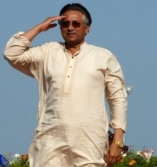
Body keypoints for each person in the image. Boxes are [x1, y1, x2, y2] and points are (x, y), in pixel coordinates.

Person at [4, 3, 128, 167]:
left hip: (90, 139)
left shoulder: (103, 56)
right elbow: (12, 53)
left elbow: (117, 98)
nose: (70, 28)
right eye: (65, 23)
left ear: (87, 28)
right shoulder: (47, 52)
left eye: (76, 24)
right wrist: (40, 28)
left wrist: (117, 141)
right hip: (50, 138)